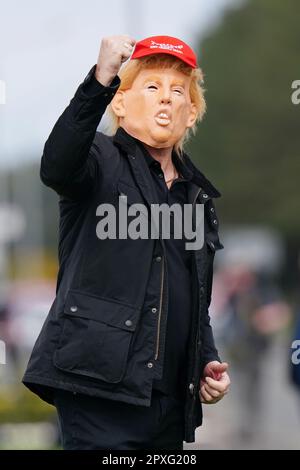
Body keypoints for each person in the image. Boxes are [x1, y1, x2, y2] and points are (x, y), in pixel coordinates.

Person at [22, 34, 230, 450]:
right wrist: (101, 79)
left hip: (170, 402)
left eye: (178, 92)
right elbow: (57, 164)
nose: (166, 100)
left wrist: (205, 358)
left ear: (191, 114)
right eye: (152, 87)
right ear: (120, 104)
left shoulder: (196, 197)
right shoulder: (98, 160)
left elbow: (192, 295)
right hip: (99, 394)